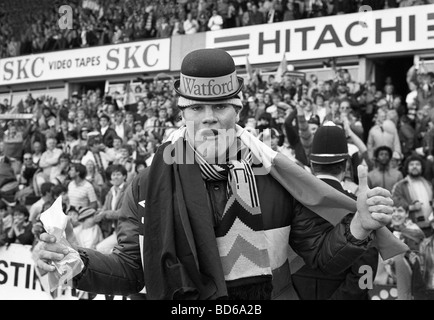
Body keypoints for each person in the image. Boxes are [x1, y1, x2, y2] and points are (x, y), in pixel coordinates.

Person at [34, 48, 404, 300]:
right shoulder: (149, 181)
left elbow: (322, 256)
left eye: (220, 105)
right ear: (182, 113)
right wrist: (77, 262)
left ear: (238, 109)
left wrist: (358, 227)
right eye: (196, 107)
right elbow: (134, 270)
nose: (209, 117)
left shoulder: (276, 176)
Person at [291, 124, 379, 300]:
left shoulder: (289, 202)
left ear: (311, 163)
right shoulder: (359, 208)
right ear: (346, 164)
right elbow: (365, 273)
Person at [392, 154, 434, 237]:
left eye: (417, 164)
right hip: (410, 229)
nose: (414, 167)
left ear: (422, 167)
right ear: (407, 168)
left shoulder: (429, 184)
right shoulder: (400, 185)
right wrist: (411, 207)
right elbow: (395, 203)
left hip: (430, 227)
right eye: (411, 164)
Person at [94, 164, 128, 254]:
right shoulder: (111, 191)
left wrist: (105, 214)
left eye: (118, 174)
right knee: (100, 248)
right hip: (114, 230)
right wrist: (100, 212)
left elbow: (123, 212)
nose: (115, 177)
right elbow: (105, 208)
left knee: (101, 249)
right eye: (113, 175)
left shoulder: (128, 190)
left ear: (124, 176)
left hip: (125, 230)